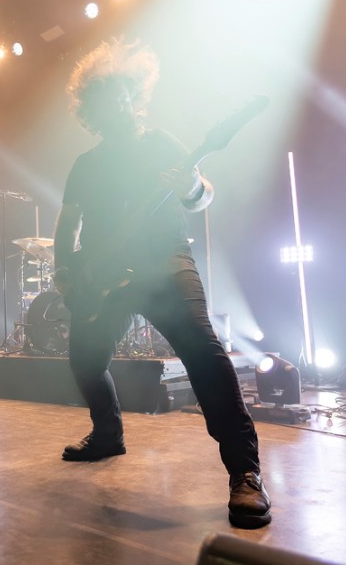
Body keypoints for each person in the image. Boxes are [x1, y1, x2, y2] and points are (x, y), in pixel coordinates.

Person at [52, 40, 271, 529]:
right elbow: (68, 224)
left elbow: (202, 195)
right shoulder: (86, 164)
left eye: (123, 94)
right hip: (104, 275)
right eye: (105, 99)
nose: (117, 104)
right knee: (84, 359)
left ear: (135, 96)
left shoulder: (163, 144)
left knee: (205, 357)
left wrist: (190, 187)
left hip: (164, 264)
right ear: (91, 110)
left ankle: (245, 472)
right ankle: (107, 434)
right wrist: (66, 271)